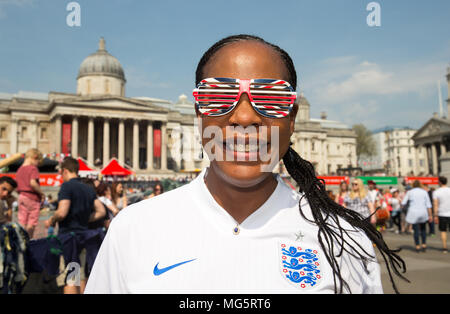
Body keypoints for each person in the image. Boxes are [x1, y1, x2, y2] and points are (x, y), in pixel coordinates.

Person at [85, 34, 406, 294]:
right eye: (219, 94)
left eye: (271, 98)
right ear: (198, 113)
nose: (244, 116)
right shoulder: (132, 229)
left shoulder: (344, 238)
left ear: (292, 120)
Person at [44, 157, 105, 294]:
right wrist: (83, 219)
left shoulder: (67, 186)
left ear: (65, 171)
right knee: (79, 276)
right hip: (83, 237)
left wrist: (51, 221)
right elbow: (101, 211)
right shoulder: (88, 188)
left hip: (68, 239)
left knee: (70, 278)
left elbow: (62, 212)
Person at [16, 148, 44, 238]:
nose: (37, 165)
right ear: (35, 157)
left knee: (22, 220)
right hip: (32, 198)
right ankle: (29, 239)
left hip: (21, 196)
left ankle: (20, 239)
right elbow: (33, 183)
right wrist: (42, 193)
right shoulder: (33, 168)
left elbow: (17, 185)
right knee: (31, 222)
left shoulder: (19, 170)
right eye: (38, 163)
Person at [401, 180, 432, 253]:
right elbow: (428, 205)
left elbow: (403, 203)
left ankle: (417, 246)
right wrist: (430, 215)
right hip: (423, 212)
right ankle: (424, 245)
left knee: (416, 230)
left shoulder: (410, 192)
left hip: (413, 212)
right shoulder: (424, 192)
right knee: (423, 229)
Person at [432, 176, 450, 253]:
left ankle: (445, 247)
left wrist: (435, 215)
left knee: (443, 231)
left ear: (439, 182)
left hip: (442, 213)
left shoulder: (436, 192)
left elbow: (435, 205)